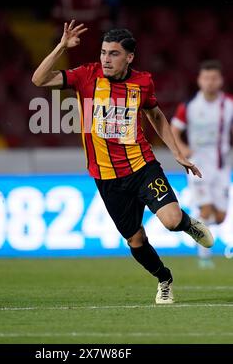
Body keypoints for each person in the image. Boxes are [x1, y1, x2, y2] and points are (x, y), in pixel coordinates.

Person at [32, 20, 214, 304]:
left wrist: (176, 152)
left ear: (129, 57)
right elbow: (39, 80)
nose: (105, 59)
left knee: (171, 220)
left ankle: (188, 224)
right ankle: (164, 278)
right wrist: (61, 47)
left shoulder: (143, 82)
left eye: (113, 53)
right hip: (106, 177)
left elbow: (155, 115)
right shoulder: (86, 76)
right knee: (136, 241)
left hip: (142, 166)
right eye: (103, 52)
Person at [171, 60, 233, 268]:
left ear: (221, 81)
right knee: (206, 211)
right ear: (199, 80)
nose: (210, 82)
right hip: (197, 166)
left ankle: (193, 224)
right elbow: (174, 130)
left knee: (221, 217)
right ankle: (204, 258)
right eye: (206, 78)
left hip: (222, 167)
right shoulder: (189, 107)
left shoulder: (229, 104)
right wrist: (182, 148)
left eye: (214, 78)